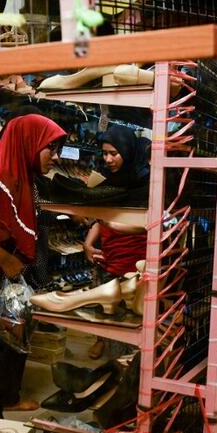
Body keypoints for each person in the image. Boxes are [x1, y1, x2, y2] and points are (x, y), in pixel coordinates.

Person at [0, 113, 66, 424]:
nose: (55, 157)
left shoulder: (21, 177)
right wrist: (6, 260)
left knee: (0, 361)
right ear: (28, 142)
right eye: (50, 149)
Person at [84, 125, 150, 358]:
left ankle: (127, 360)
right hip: (109, 257)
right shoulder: (106, 180)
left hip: (134, 261)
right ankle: (104, 343)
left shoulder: (146, 184)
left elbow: (148, 226)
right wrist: (87, 244)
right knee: (105, 310)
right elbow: (98, 220)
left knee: (131, 318)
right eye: (104, 153)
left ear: (127, 151)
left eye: (114, 153)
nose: (108, 159)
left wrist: (112, 225)